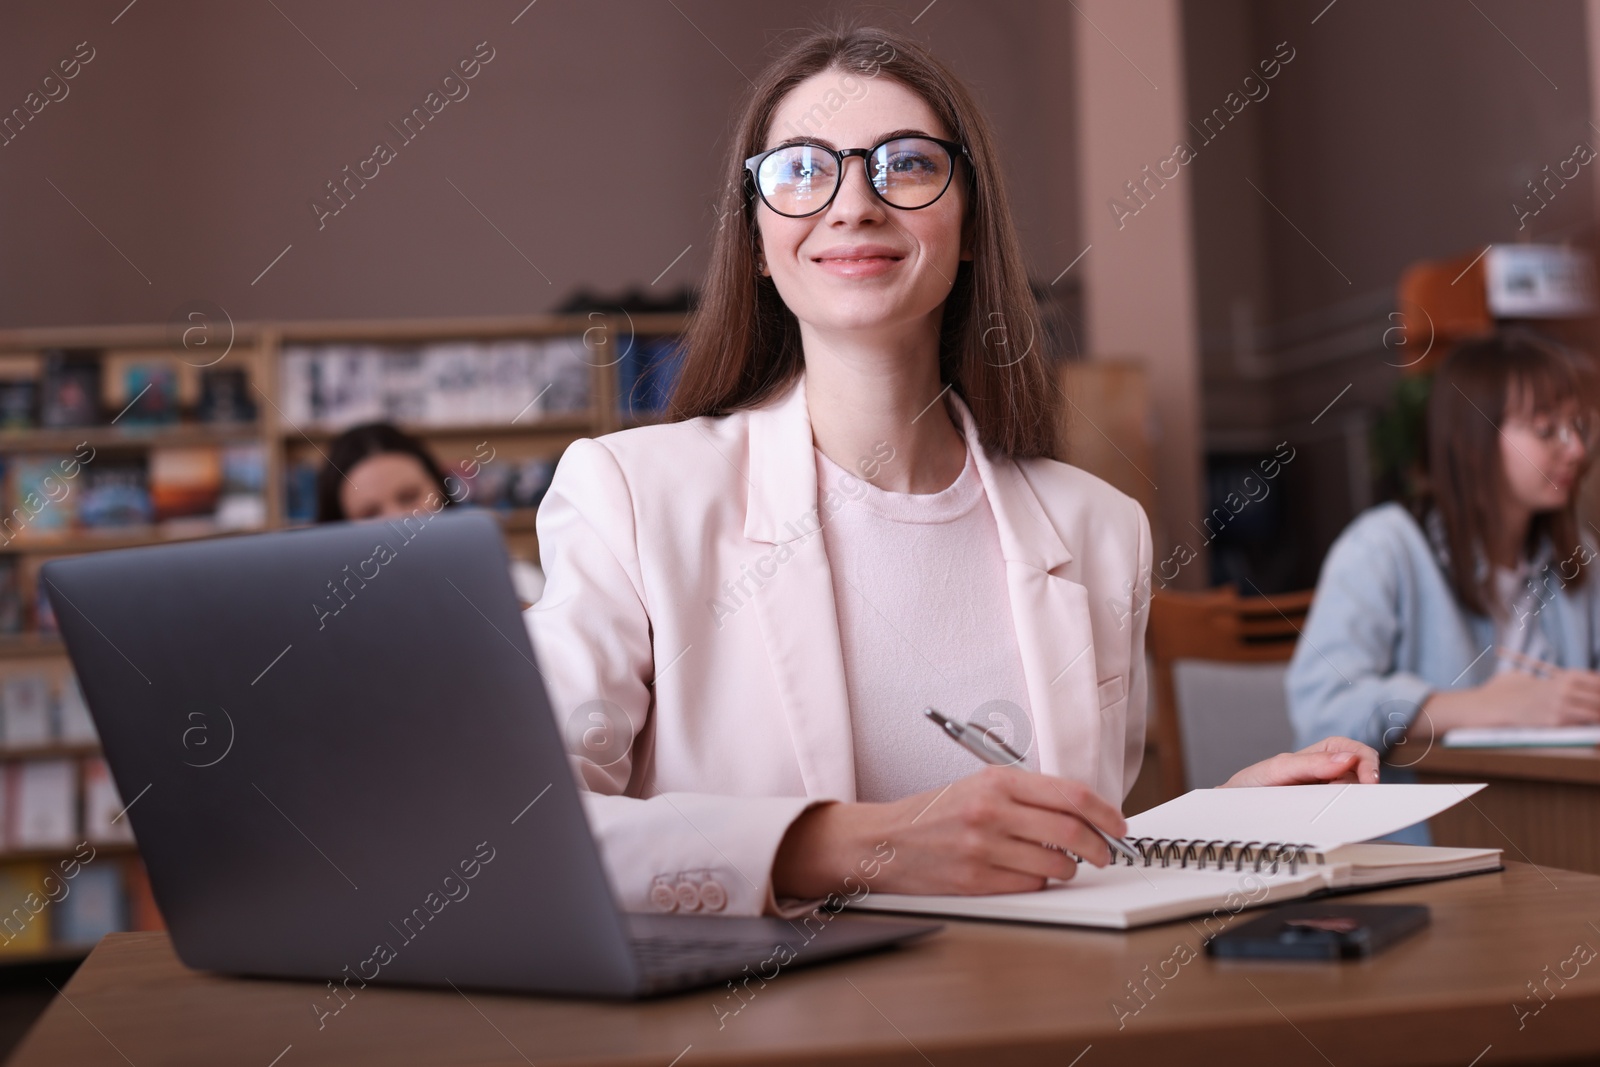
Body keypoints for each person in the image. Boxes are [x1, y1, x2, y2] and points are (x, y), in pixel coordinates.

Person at [529, 24, 1378, 920]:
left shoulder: (1098, 528)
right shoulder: (631, 494)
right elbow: (528, 829)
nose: (853, 204)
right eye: (802, 169)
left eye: (904, 164)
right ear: (756, 238)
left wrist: (1221, 826)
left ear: (970, 224)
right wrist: (853, 846)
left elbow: (1066, 860)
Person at [1289, 330, 1600, 839]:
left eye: (1578, 426)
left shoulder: (1578, 557)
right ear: (1473, 442)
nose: (1577, 449)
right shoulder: (1382, 548)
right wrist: (1489, 706)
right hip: (1426, 847)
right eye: (1547, 430)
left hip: (1560, 828)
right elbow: (1322, 712)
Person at [316, 421, 545, 605]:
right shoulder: (327, 611)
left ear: (441, 491)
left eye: (409, 496)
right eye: (369, 513)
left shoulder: (520, 585)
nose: (397, 520)